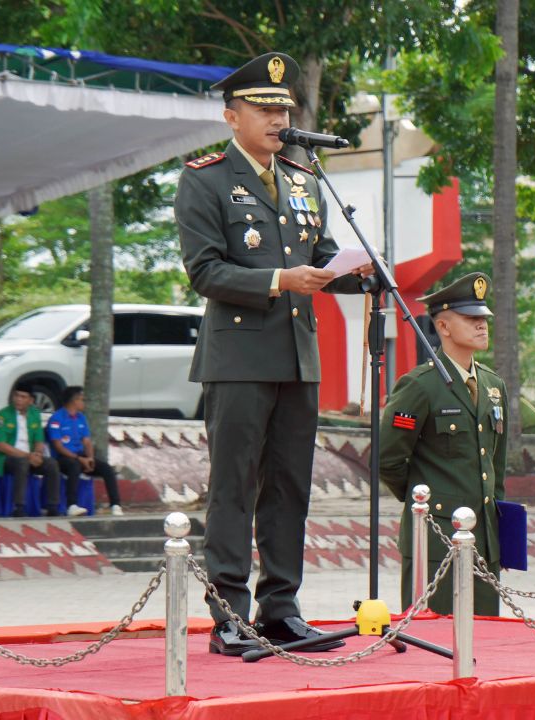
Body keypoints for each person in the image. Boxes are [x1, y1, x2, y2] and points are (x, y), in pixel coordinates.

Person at [174, 51, 374, 657]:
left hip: (296, 357)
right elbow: (205, 271)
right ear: (232, 116)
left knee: (289, 488)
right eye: (263, 109)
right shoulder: (205, 179)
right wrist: (278, 281)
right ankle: (230, 615)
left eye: (283, 110)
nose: (278, 119)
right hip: (238, 359)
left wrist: (358, 273)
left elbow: (322, 257)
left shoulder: (304, 178)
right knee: (234, 487)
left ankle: (282, 610)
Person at [379, 272, 508, 616]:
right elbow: (387, 459)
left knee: (488, 636)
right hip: (435, 540)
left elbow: (497, 466)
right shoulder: (420, 385)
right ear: (443, 327)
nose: (482, 325)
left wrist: (500, 531)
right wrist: (424, 501)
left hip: (484, 539)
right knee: (433, 634)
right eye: (470, 318)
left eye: (483, 318)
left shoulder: (493, 385)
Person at [46, 386, 124, 517]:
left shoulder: (81, 418)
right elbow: (58, 446)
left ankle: (115, 505)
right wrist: (79, 459)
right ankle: (72, 505)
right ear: (74, 401)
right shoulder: (57, 418)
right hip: (63, 457)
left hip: (81, 456)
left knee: (106, 469)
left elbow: (87, 442)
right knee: (74, 466)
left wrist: (90, 458)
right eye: (82, 399)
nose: (84, 403)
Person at [0, 382, 62, 517]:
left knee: (52, 464)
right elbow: (0, 445)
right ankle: (19, 507)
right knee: (22, 463)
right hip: (6, 458)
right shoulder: (3, 415)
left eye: (23, 397)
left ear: (31, 400)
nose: (18, 399)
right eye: (16, 396)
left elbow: (39, 440)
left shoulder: (35, 414)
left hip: (30, 456)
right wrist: (28, 456)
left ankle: (52, 506)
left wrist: (38, 454)